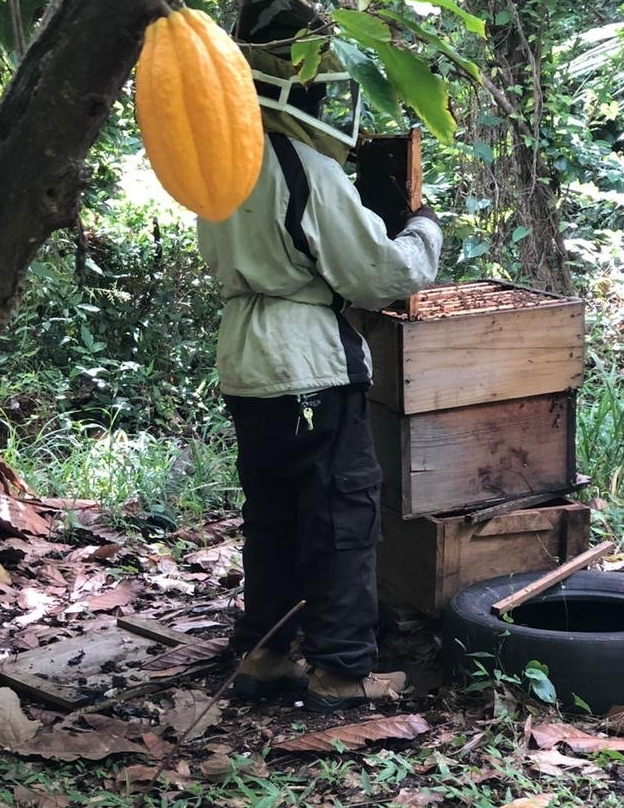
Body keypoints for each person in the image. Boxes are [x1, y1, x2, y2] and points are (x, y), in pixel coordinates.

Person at [196, 1, 443, 712]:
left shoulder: (219, 167)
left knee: (271, 512)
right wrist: (422, 229)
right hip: (310, 363)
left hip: (247, 363)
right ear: (294, 80)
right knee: (341, 513)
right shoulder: (305, 165)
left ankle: (267, 654)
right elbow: (380, 275)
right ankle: (341, 670)